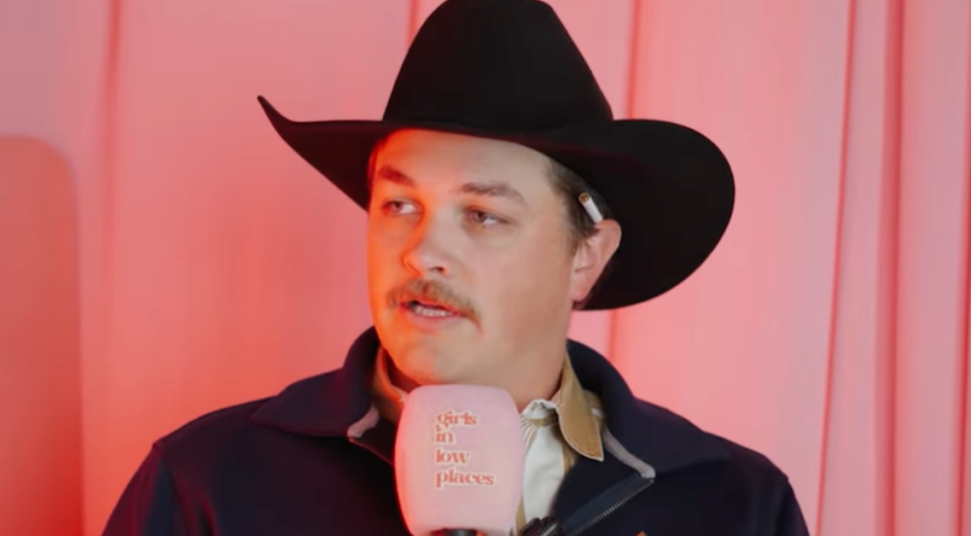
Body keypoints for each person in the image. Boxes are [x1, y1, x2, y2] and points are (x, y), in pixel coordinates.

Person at [102, 0, 810, 534]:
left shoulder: (733, 503)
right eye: (398, 206)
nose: (421, 253)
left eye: (482, 215)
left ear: (586, 255)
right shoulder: (208, 480)